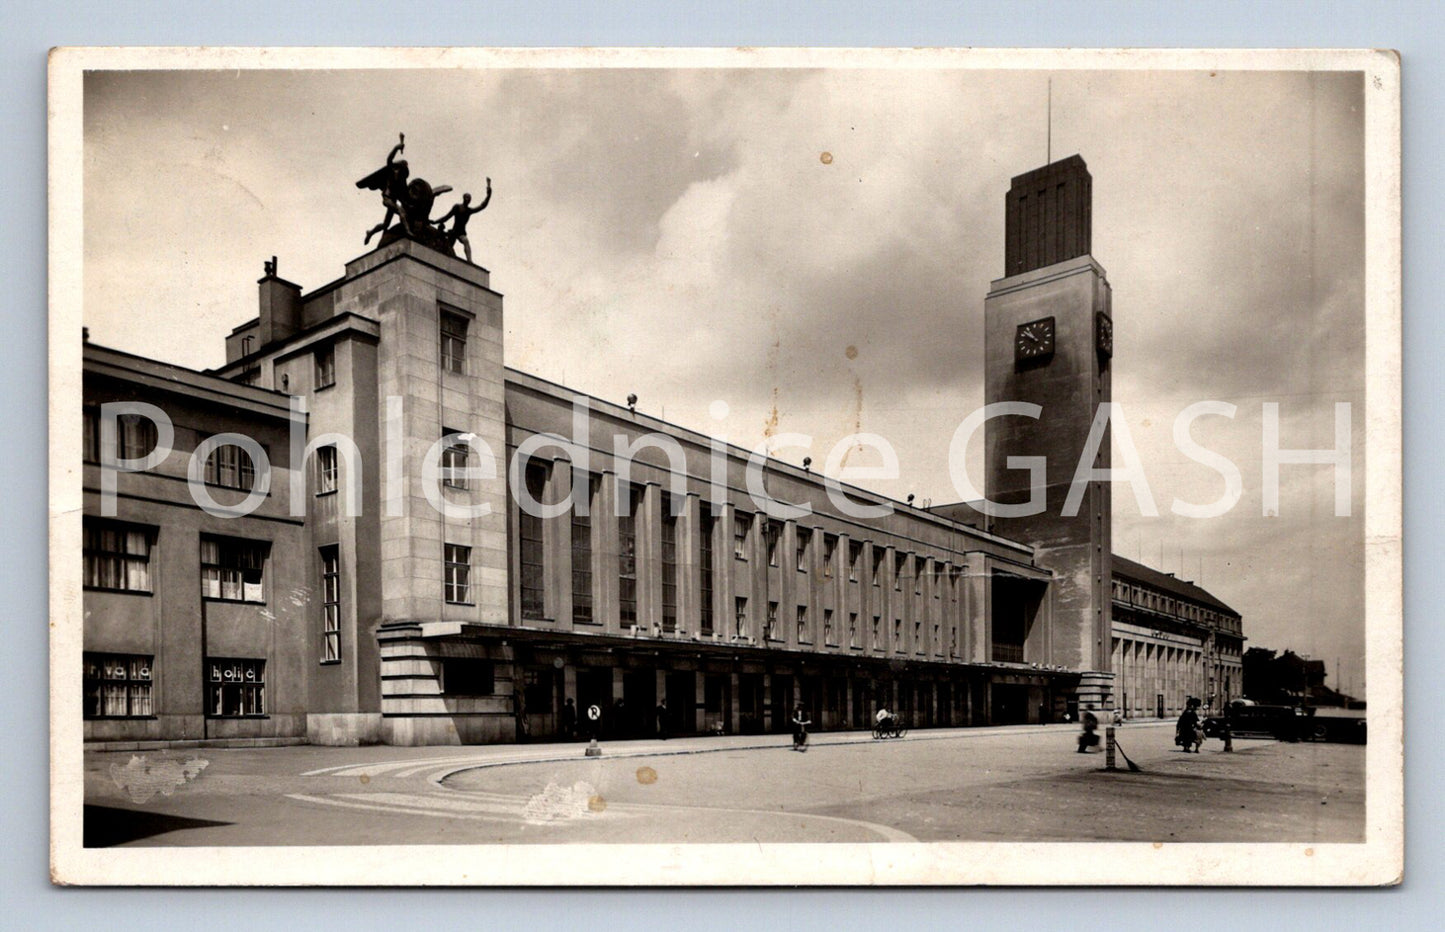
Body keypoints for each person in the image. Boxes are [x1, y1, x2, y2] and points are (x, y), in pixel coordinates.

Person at [363, 133, 413, 244]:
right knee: (401, 211)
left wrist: (409, 205)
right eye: (400, 168)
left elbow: (403, 197)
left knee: (385, 224)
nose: (400, 171)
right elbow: (389, 159)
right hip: (387, 198)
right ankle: (408, 232)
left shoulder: (402, 182)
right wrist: (396, 147)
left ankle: (370, 232)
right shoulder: (392, 172)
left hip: (393, 200)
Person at [434, 179, 493, 263]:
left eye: (469, 198)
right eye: (466, 197)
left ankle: (469, 260)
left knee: (466, 241)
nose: (468, 199)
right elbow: (447, 217)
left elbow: (482, 206)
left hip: (461, 232)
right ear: (463, 198)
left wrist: (488, 195)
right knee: (448, 247)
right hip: (454, 232)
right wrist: (435, 221)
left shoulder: (469, 211)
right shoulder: (457, 207)